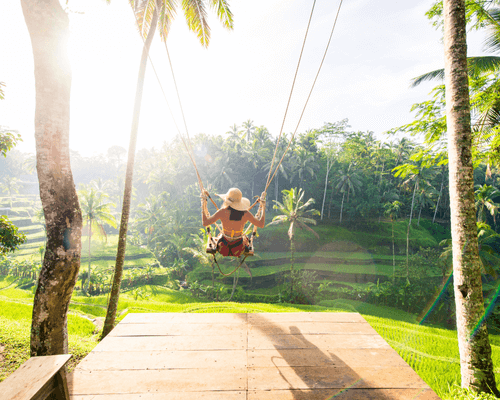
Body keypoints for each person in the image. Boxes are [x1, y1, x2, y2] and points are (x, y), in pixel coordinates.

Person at [201, 187, 266, 257]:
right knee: (245, 238)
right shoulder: (246, 214)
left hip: (223, 248)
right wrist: (263, 207)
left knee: (219, 236)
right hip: (239, 249)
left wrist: (203, 206)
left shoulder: (222, 212)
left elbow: (205, 223)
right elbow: (261, 224)